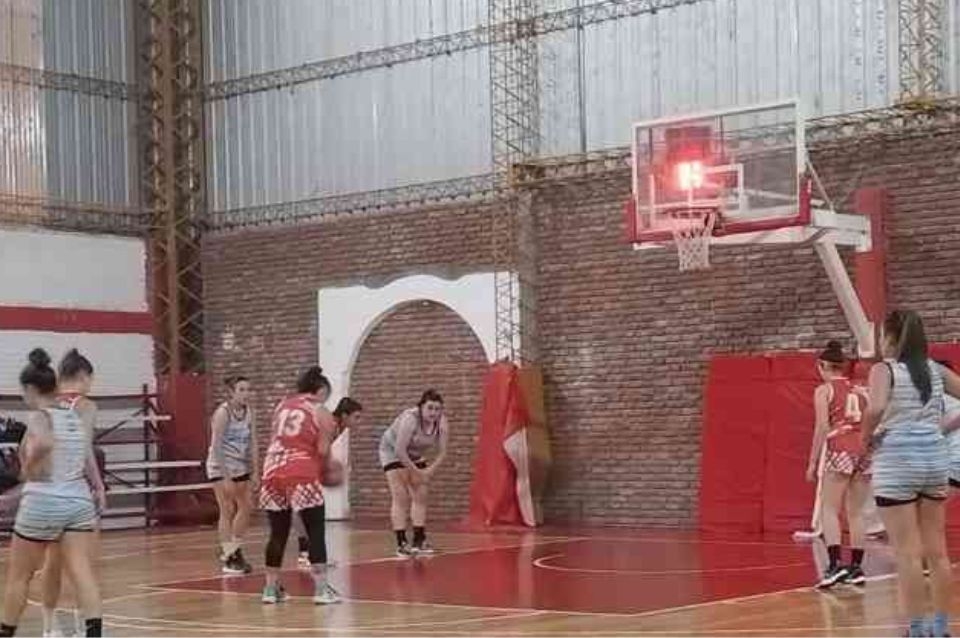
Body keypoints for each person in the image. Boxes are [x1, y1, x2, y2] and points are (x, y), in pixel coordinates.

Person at [861, 310, 960, 637]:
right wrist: (938, 427)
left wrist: (866, 438)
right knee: (938, 552)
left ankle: (917, 630)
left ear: (891, 337)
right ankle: (941, 629)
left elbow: (876, 408)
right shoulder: (935, 370)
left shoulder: (884, 369)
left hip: (898, 459)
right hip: (934, 458)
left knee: (907, 554)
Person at [1, 349, 103, 637]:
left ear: (31, 389)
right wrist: (98, 486)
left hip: (45, 502)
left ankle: (8, 632)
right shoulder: (75, 416)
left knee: (19, 577)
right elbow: (85, 455)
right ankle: (93, 632)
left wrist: (27, 468)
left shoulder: (39, 415)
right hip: (78, 502)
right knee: (82, 573)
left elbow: (44, 443)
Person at [37, 349, 106, 638]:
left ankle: (49, 626)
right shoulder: (86, 406)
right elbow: (84, 449)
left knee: (52, 563)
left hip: (46, 491)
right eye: (90, 378)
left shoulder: (46, 403)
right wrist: (98, 485)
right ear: (82, 376)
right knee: (84, 564)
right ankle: (83, 627)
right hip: (73, 490)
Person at [259, 366, 340, 605]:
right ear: (321, 390)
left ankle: (270, 589)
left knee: (277, 532)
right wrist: (329, 470)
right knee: (315, 529)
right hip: (301, 471)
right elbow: (323, 451)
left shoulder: (282, 406)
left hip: (272, 470)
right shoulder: (321, 411)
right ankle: (322, 590)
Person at [804, 340, 870, 588]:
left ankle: (834, 565)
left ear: (822, 365)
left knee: (829, 508)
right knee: (856, 512)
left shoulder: (824, 390)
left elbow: (822, 427)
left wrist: (812, 462)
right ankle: (856, 567)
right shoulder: (860, 389)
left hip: (840, 446)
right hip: (864, 450)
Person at [378, 389, 449, 557]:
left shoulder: (442, 422)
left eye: (437, 409)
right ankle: (401, 542)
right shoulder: (410, 419)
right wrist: (417, 471)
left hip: (415, 454)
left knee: (421, 494)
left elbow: (442, 452)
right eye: (430, 408)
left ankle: (419, 540)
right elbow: (400, 450)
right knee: (401, 496)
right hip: (392, 451)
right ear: (421, 407)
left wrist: (429, 471)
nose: (433, 413)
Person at [295, 397, 363, 569]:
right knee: (303, 508)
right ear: (345, 415)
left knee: (307, 508)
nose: (358, 421)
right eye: (356, 417)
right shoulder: (330, 425)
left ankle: (310, 553)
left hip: (307, 463)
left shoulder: (338, 427)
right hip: (300, 463)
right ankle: (305, 553)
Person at [206, 375, 258, 574]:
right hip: (220, 466)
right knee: (226, 508)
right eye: (241, 390)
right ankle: (230, 556)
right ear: (231, 392)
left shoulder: (249, 412)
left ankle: (234, 548)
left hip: (239, 464)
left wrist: (256, 470)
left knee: (247, 506)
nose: (246, 393)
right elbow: (216, 446)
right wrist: (226, 477)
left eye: (248, 389)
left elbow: (253, 441)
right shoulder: (223, 413)